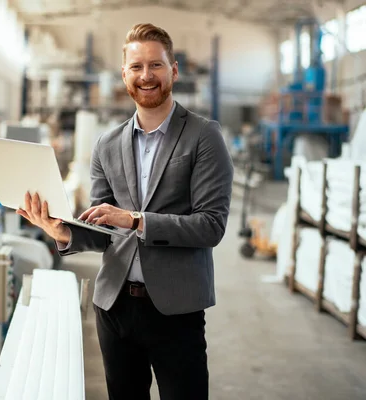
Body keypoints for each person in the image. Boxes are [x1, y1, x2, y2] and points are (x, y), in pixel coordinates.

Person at [16, 23, 233, 400]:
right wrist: (61, 231)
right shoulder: (107, 144)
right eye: (136, 67)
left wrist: (136, 219)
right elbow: (103, 230)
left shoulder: (203, 135)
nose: (146, 76)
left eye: (156, 65)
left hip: (176, 309)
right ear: (124, 75)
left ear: (174, 70)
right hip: (115, 308)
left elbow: (211, 226)